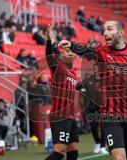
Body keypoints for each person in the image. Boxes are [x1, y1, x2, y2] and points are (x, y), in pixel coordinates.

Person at [60, 19, 127, 160]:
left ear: (121, 32)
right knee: (119, 158)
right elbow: (87, 50)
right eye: (104, 30)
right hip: (110, 116)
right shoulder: (102, 52)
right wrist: (72, 45)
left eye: (110, 29)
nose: (105, 32)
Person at [44, 24, 79, 160]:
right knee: (60, 151)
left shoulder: (73, 73)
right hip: (60, 116)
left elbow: (73, 88)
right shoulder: (58, 67)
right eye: (66, 51)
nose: (70, 53)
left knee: (73, 150)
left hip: (70, 116)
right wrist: (49, 39)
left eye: (71, 51)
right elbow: (49, 54)